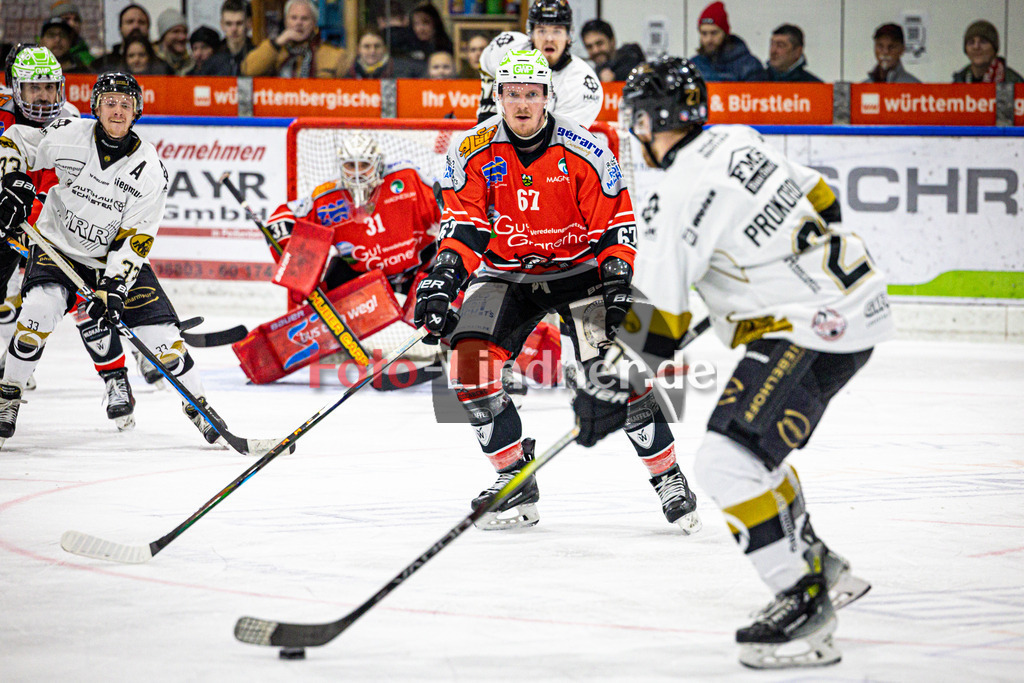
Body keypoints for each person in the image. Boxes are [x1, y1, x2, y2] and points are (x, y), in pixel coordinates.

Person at [583, 56, 892, 668]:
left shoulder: (673, 193)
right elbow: (824, 199)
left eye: (638, 120)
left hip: (817, 326)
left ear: (651, 122)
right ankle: (818, 565)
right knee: (753, 451)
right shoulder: (738, 140)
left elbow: (660, 327)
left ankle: (801, 605)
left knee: (726, 461)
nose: (636, 133)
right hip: (854, 306)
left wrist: (606, 387)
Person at [416, 49, 701, 533]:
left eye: (532, 94)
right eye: (512, 94)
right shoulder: (471, 149)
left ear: (548, 96)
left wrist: (615, 286)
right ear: (497, 95)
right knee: (467, 365)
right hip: (508, 273)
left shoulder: (585, 148)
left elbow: (617, 224)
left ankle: (668, 478)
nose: (522, 104)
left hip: (581, 272)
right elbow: (464, 228)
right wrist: (443, 280)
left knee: (620, 371)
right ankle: (514, 479)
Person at [0, 72, 240, 447]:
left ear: (137, 112)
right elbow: (15, 141)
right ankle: (7, 397)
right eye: (109, 102)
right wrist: (11, 179)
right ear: (96, 106)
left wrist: (114, 288)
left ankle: (200, 408)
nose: (117, 109)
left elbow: (136, 237)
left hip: (110, 259)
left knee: (166, 344)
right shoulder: (68, 132)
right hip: (58, 249)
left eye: (125, 104)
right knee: (35, 317)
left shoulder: (150, 170)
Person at [266, 133, 440, 305]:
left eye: (364, 165)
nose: (357, 173)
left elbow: (448, 204)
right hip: (363, 278)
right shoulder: (327, 198)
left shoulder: (406, 178)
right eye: (350, 165)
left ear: (377, 163)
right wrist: (300, 268)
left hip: (419, 270)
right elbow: (282, 219)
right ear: (341, 166)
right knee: (327, 296)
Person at [475, 0, 603, 126]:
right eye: (541, 30)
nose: (549, 38)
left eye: (557, 31)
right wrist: (488, 109)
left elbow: (561, 139)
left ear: (569, 36)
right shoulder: (508, 48)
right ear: (531, 34)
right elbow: (487, 64)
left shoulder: (583, 84)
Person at [242, 0, 349, 78]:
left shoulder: (335, 55)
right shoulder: (275, 49)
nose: (298, 23)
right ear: (286, 22)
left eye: (304, 18)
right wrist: (278, 42)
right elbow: (248, 70)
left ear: (314, 23)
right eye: (293, 18)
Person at [689, 1, 764, 82]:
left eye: (714, 33)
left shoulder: (749, 66)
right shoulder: (694, 65)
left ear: (725, 33)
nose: (708, 39)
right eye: (704, 33)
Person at [195, 0, 254, 77]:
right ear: (222, 25)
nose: (234, 29)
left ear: (249, 23)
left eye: (239, 23)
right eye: (228, 24)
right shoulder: (213, 60)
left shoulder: (258, 56)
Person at [953, 20, 1023, 84]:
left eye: (983, 42)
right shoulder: (959, 81)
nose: (976, 47)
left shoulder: (1014, 82)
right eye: (971, 42)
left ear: (994, 48)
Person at [90, 4, 151, 74]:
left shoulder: (162, 66)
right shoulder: (102, 65)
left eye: (141, 22)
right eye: (130, 22)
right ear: (120, 27)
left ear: (148, 27)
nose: (136, 26)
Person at [580, 19, 644, 82]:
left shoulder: (632, 61)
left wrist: (616, 77)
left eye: (599, 43)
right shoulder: (593, 72)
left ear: (612, 41)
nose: (595, 50)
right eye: (589, 47)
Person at [342, 28, 421, 79]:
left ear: (385, 49)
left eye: (377, 46)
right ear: (358, 49)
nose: (372, 51)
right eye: (367, 46)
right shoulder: (350, 73)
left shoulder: (403, 71)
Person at [153, 9, 193, 75]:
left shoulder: (191, 64)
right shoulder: (151, 63)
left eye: (185, 32)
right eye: (176, 31)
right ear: (164, 36)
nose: (182, 37)